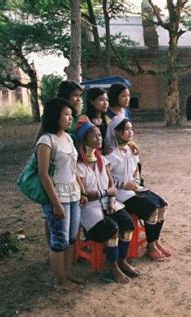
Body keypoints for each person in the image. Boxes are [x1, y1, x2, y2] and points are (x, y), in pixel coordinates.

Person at [75, 119, 139, 283]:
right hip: (90, 209)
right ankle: (113, 267)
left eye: (99, 135)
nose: (99, 138)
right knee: (112, 229)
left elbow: (111, 184)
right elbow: (86, 195)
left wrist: (110, 200)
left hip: (107, 202)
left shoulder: (102, 160)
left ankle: (121, 260)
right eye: (94, 136)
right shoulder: (78, 165)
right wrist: (106, 193)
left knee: (127, 224)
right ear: (84, 140)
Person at [36, 97, 87, 290]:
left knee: (72, 238)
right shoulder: (46, 141)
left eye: (70, 114)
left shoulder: (67, 137)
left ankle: (68, 273)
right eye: (66, 114)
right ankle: (60, 281)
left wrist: (82, 191)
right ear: (54, 116)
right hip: (57, 196)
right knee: (59, 241)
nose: (70, 118)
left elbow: (73, 169)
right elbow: (43, 174)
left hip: (74, 194)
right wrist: (55, 203)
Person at [105, 116, 171, 262]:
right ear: (116, 132)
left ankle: (155, 240)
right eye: (126, 129)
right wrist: (124, 185)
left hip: (135, 188)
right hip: (121, 194)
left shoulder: (130, 149)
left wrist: (135, 181)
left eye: (131, 129)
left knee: (162, 205)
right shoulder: (111, 154)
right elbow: (106, 179)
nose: (130, 132)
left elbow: (136, 170)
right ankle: (151, 245)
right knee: (152, 208)